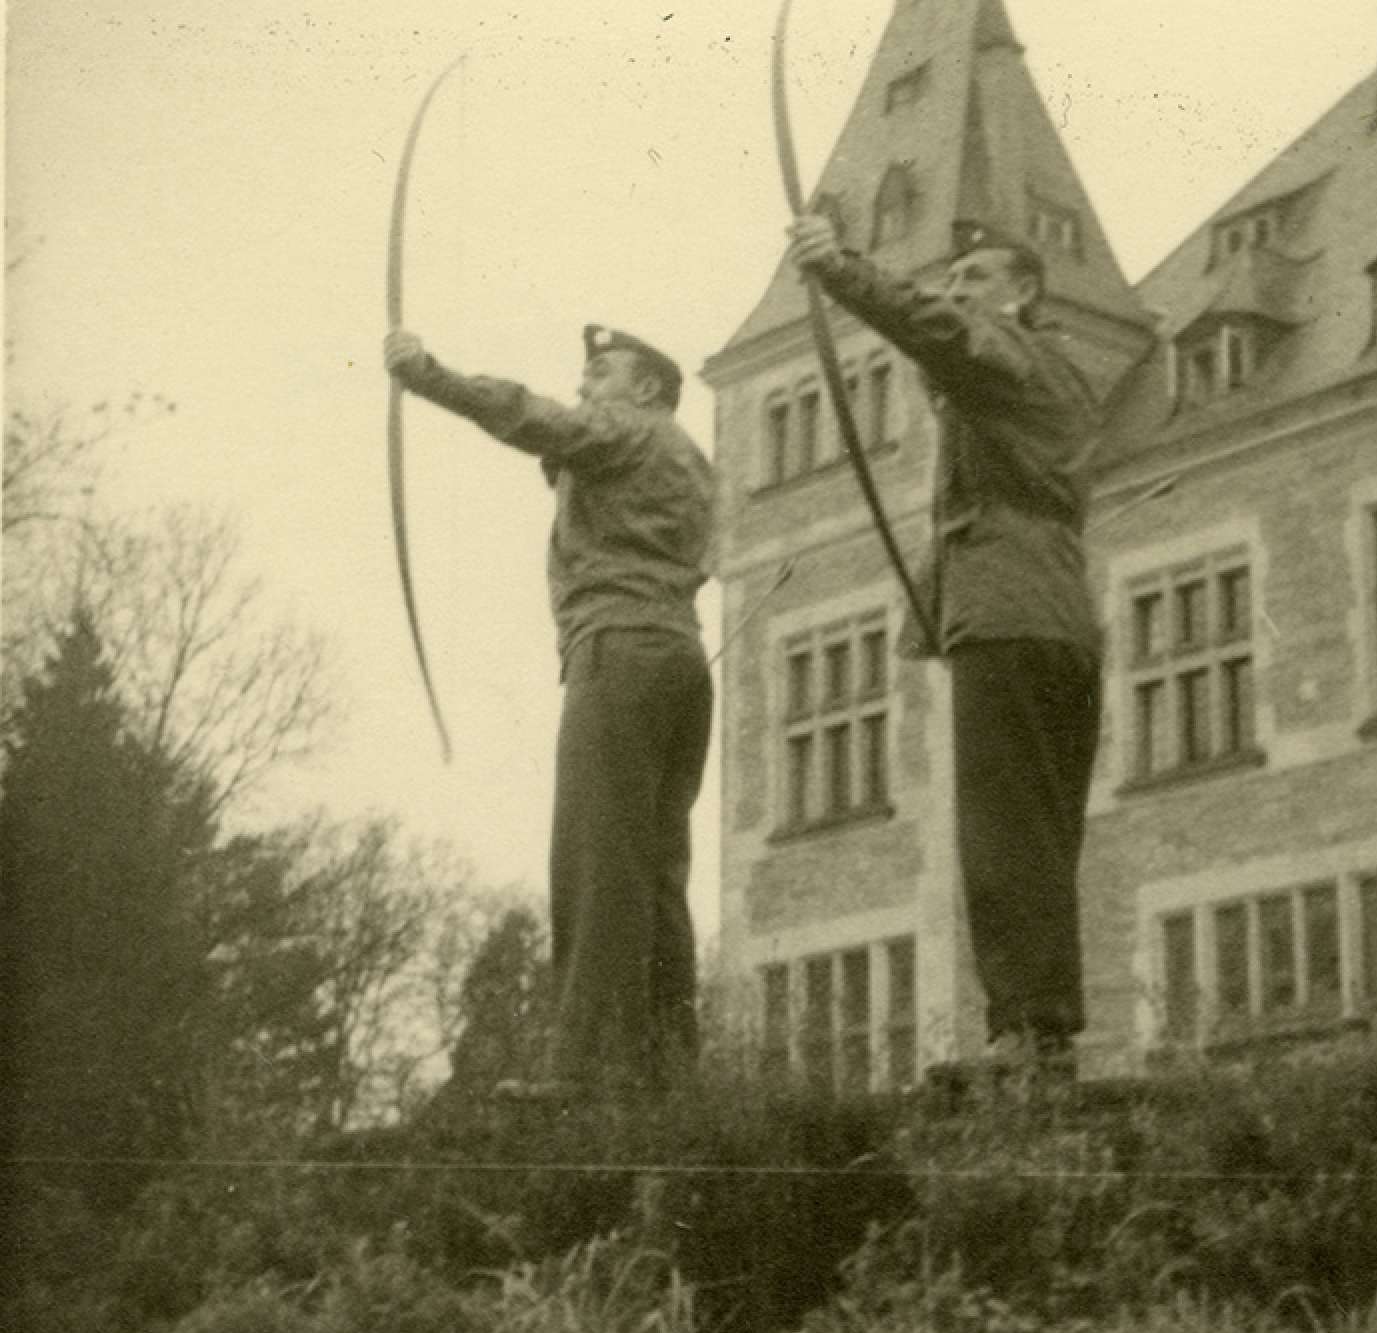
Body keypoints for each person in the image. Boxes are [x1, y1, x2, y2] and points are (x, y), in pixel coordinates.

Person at [786, 214, 1102, 1074]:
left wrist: (843, 271)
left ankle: (1026, 1033)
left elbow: (946, 336)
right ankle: (1041, 1032)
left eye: (975, 278)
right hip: (1052, 610)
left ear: (1024, 292)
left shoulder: (1017, 354)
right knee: (1038, 829)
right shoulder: (1044, 375)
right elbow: (947, 364)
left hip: (1006, 607)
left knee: (1003, 831)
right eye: (952, 278)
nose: (957, 291)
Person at [385, 323, 716, 1099]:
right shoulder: (684, 456)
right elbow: (570, 455)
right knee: (654, 872)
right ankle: (666, 1074)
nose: (584, 387)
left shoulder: (629, 430)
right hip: (678, 659)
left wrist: (429, 375)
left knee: (597, 860)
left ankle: (584, 1072)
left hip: (618, 654)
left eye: (601, 373)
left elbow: (544, 421)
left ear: (647, 390)